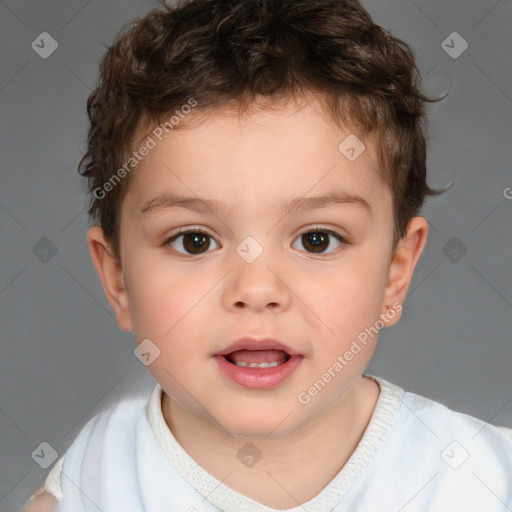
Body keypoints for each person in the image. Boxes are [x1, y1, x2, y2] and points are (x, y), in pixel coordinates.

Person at [23, 0, 512, 510]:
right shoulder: (92, 485)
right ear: (118, 279)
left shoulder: (481, 480)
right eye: (194, 240)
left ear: (396, 272)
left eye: (317, 239)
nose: (256, 290)